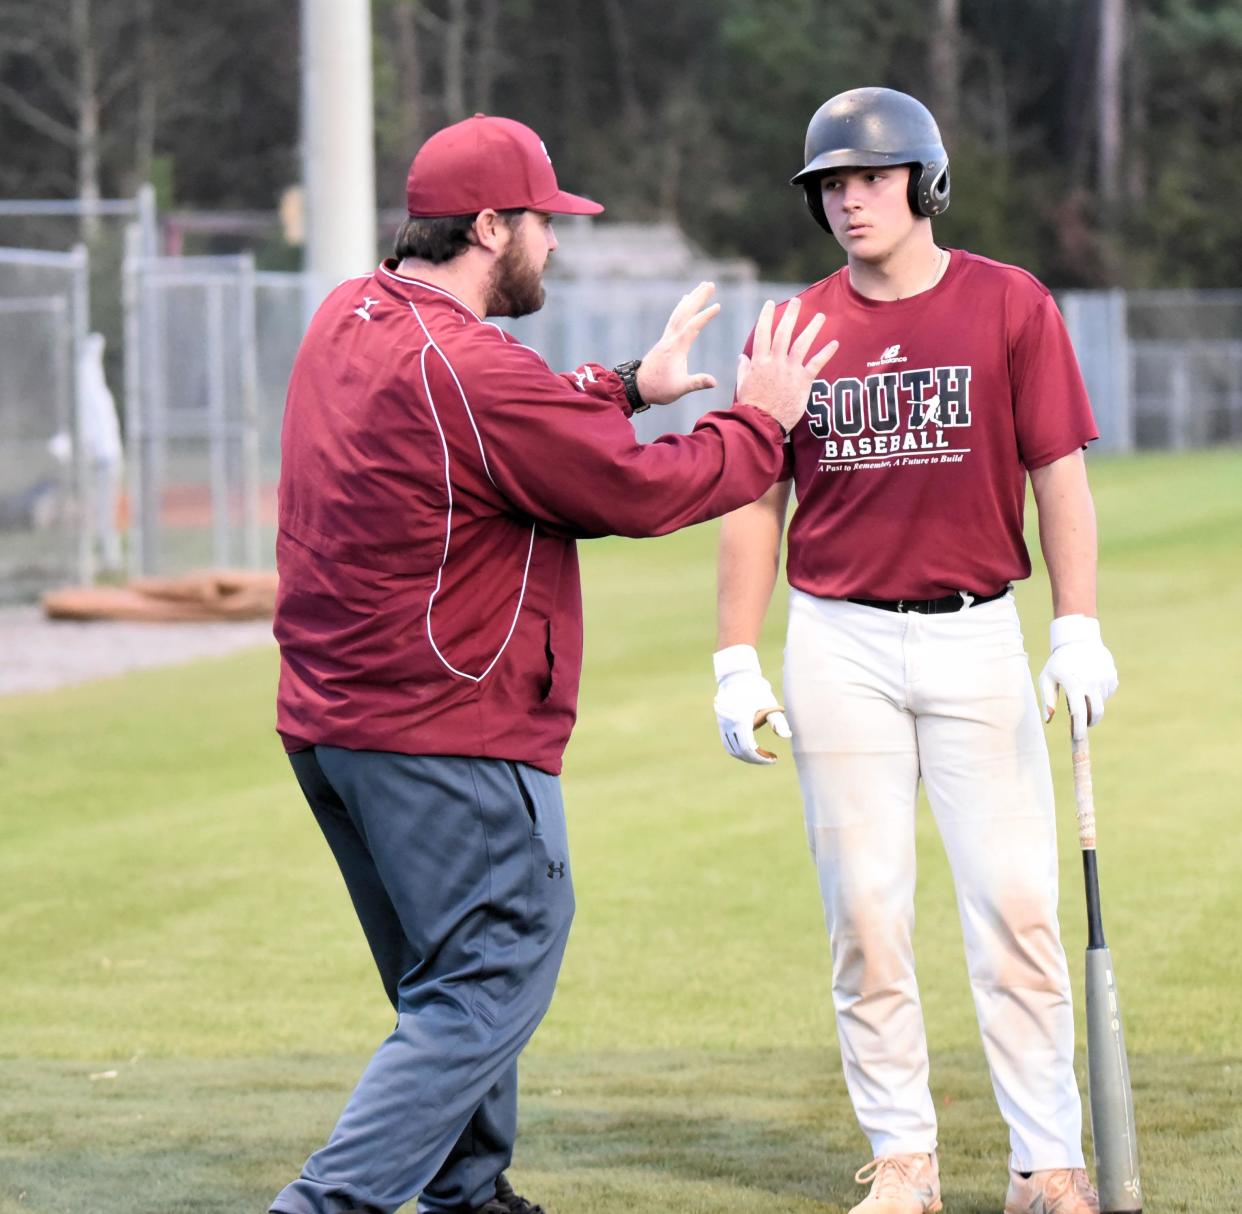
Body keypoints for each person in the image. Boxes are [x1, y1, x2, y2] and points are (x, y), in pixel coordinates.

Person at [270, 113, 836, 1214]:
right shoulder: (473, 363)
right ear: (489, 227)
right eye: (544, 222)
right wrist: (762, 426)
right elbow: (633, 490)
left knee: (451, 981)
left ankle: (468, 1194)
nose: (557, 242)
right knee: (486, 973)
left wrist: (626, 384)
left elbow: (498, 425)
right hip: (445, 727)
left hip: (333, 727)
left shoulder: (349, 312)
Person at [711, 88, 1119, 1214]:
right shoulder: (790, 329)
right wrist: (734, 655)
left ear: (924, 184)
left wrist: (1075, 625)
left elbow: (1058, 473)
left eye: (870, 177)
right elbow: (754, 498)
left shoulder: (1009, 304)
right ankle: (904, 1159)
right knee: (868, 915)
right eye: (830, 184)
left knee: (1019, 907)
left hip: (977, 631)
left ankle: (1047, 1161)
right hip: (837, 641)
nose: (849, 199)